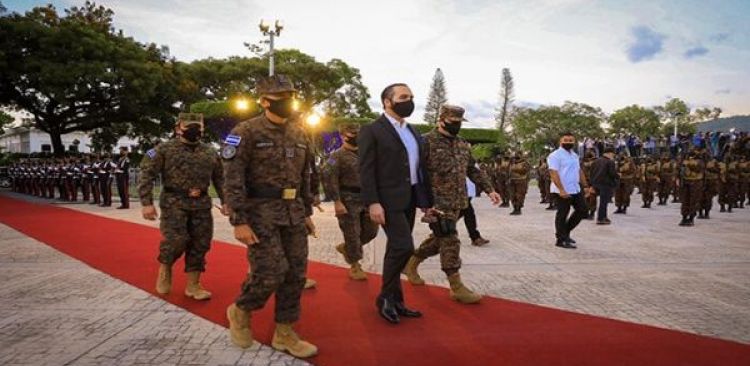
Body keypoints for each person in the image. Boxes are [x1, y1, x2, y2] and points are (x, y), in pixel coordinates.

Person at [222, 75, 318, 357]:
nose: (289, 103)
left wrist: (307, 211)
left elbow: (304, 176)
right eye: (281, 98)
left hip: (293, 212)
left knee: (296, 274)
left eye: (291, 96)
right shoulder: (246, 131)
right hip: (260, 212)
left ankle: (284, 333)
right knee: (271, 270)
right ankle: (241, 310)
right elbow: (232, 177)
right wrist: (239, 219)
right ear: (264, 101)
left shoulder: (300, 133)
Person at [403, 105, 500, 304]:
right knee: (450, 239)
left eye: (458, 123)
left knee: (440, 239)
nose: (456, 126)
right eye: (452, 122)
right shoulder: (425, 142)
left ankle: (411, 262)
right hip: (436, 203)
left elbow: (472, 170)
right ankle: (456, 286)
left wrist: (490, 189)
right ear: (441, 120)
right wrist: (421, 201)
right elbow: (415, 173)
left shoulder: (463, 144)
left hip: (458, 201)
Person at [359, 83, 430, 324]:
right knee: (404, 247)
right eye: (403, 97)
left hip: (409, 197)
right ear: (387, 102)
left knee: (395, 248)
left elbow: (419, 169)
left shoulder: (413, 131)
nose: (409, 101)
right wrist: (373, 202)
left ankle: (396, 300)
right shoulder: (372, 130)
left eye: (411, 96)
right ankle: (385, 297)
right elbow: (366, 170)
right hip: (386, 199)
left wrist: (425, 201)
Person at [138, 112, 227, 302]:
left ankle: (193, 285)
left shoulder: (210, 152)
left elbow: (220, 179)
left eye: (198, 126)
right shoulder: (163, 150)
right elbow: (146, 175)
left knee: (200, 243)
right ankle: (165, 267)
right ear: (178, 128)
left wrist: (227, 201)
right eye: (189, 127)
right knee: (176, 240)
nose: (194, 130)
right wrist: (146, 203)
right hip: (174, 203)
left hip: (201, 204)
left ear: (203, 129)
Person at [323, 123, 379, 281]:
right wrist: (336, 201)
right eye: (351, 133)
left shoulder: (367, 154)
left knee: (371, 232)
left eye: (357, 133)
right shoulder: (336, 156)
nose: (355, 136)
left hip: (367, 198)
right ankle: (355, 265)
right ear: (342, 136)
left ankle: (348, 248)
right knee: (352, 233)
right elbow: (329, 178)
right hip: (348, 199)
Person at [547, 132, 594, 249]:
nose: (568, 142)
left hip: (575, 188)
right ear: (560, 141)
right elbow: (553, 173)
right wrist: (561, 189)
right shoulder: (555, 155)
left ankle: (565, 232)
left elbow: (579, 171)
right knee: (562, 214)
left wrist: (586, 186)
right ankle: (560, 239)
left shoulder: (574, 155)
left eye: (570, 140)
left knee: (583, 210)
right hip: (561, 190)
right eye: (566, 140)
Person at [590, 147, 618, 225]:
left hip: (595, 183)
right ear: (610, 153)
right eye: (613, 154)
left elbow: (591, 173)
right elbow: (612, 174)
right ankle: (601, 218)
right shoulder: (610, 162)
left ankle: (600, 216)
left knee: (597, 201)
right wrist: (618, 176)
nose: (613, 156)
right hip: (605, 184)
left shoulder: (596, 161)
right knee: (603, 202)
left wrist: (591, 184)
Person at [678, 149, 704, 226]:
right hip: (686, 182)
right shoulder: (684, 161)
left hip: (696, 182)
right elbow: (679, 169)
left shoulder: (700, 161)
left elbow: (699, 168)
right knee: (685, 200)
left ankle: (691, 218)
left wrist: (688, 164)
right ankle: (684, 217)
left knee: (694, 200)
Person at [461, 177, 490, 246]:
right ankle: (475, 237)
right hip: (456, 191)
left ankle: (475, 237)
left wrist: (489, 190)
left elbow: (475, 173)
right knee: (466, 212)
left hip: (465, 190)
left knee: (467, 212)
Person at [699, 153, 723, 219]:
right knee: (699, 199)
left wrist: (711, 169)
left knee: (708, 199)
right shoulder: (699, 163)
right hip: (700, 182)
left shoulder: (713, 163)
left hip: (710, 183)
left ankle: (707, 213)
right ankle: (700, 213)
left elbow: (718, 171)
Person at [508, 151, 530, 215]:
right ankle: (514, 208)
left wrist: (515, 169)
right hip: (512, 180)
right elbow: (508, 171)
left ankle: (518, 209)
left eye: (518, 155)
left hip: (521, 181)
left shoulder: (525, 163)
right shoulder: (512, 163)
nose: (516, 157)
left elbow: (525, 171)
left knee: (519, 195)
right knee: (512, 195)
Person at [581, 151, 597, 219]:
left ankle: (592, 213)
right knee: (585, 198)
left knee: (592, 198)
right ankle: (586, 212)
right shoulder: (582, 163)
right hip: (584, 182)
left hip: (593, 182)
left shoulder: (596, 163)